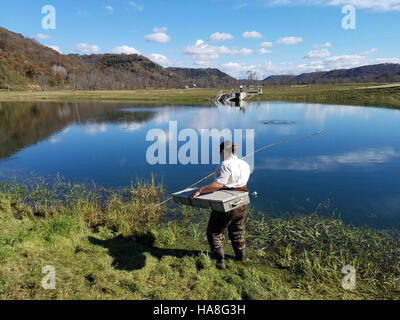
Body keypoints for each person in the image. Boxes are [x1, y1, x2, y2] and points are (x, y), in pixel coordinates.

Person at [190, 141, 251, 269]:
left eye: (220, 153)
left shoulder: (225, 164)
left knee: (214, 231)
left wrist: (200, 190)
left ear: (224, 151)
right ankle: (241, 258)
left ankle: (220, 262)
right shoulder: (245, 164)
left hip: (227, 202)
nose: (220, 155)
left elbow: (218, 185)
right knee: (237, 230)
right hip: (243, 200)